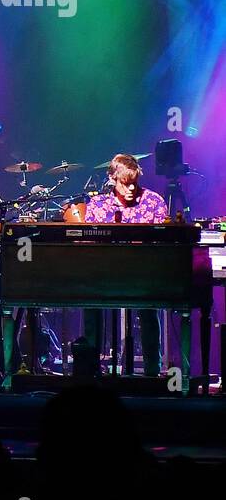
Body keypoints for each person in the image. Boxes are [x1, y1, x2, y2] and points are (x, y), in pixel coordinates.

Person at [82, 154, 170, 376]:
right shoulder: (97, 205)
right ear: (112, 178)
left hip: (143, 275)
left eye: (134, 183)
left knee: (150, 308)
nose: (131, 189)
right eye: (125, 183)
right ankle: (91, 369)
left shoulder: (153, 201)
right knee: (89, 303)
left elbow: (165, 243)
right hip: (104, 275)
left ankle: (152, 370)